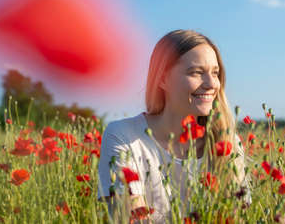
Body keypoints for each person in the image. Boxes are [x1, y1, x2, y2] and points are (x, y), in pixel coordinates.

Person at [98, 29, 251, 223]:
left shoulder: (227, 143)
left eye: (215, 73)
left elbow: (237, 216)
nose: (212, 83)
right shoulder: (124, 137)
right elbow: (131, 217)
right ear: (162, 79)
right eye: (196, 72)